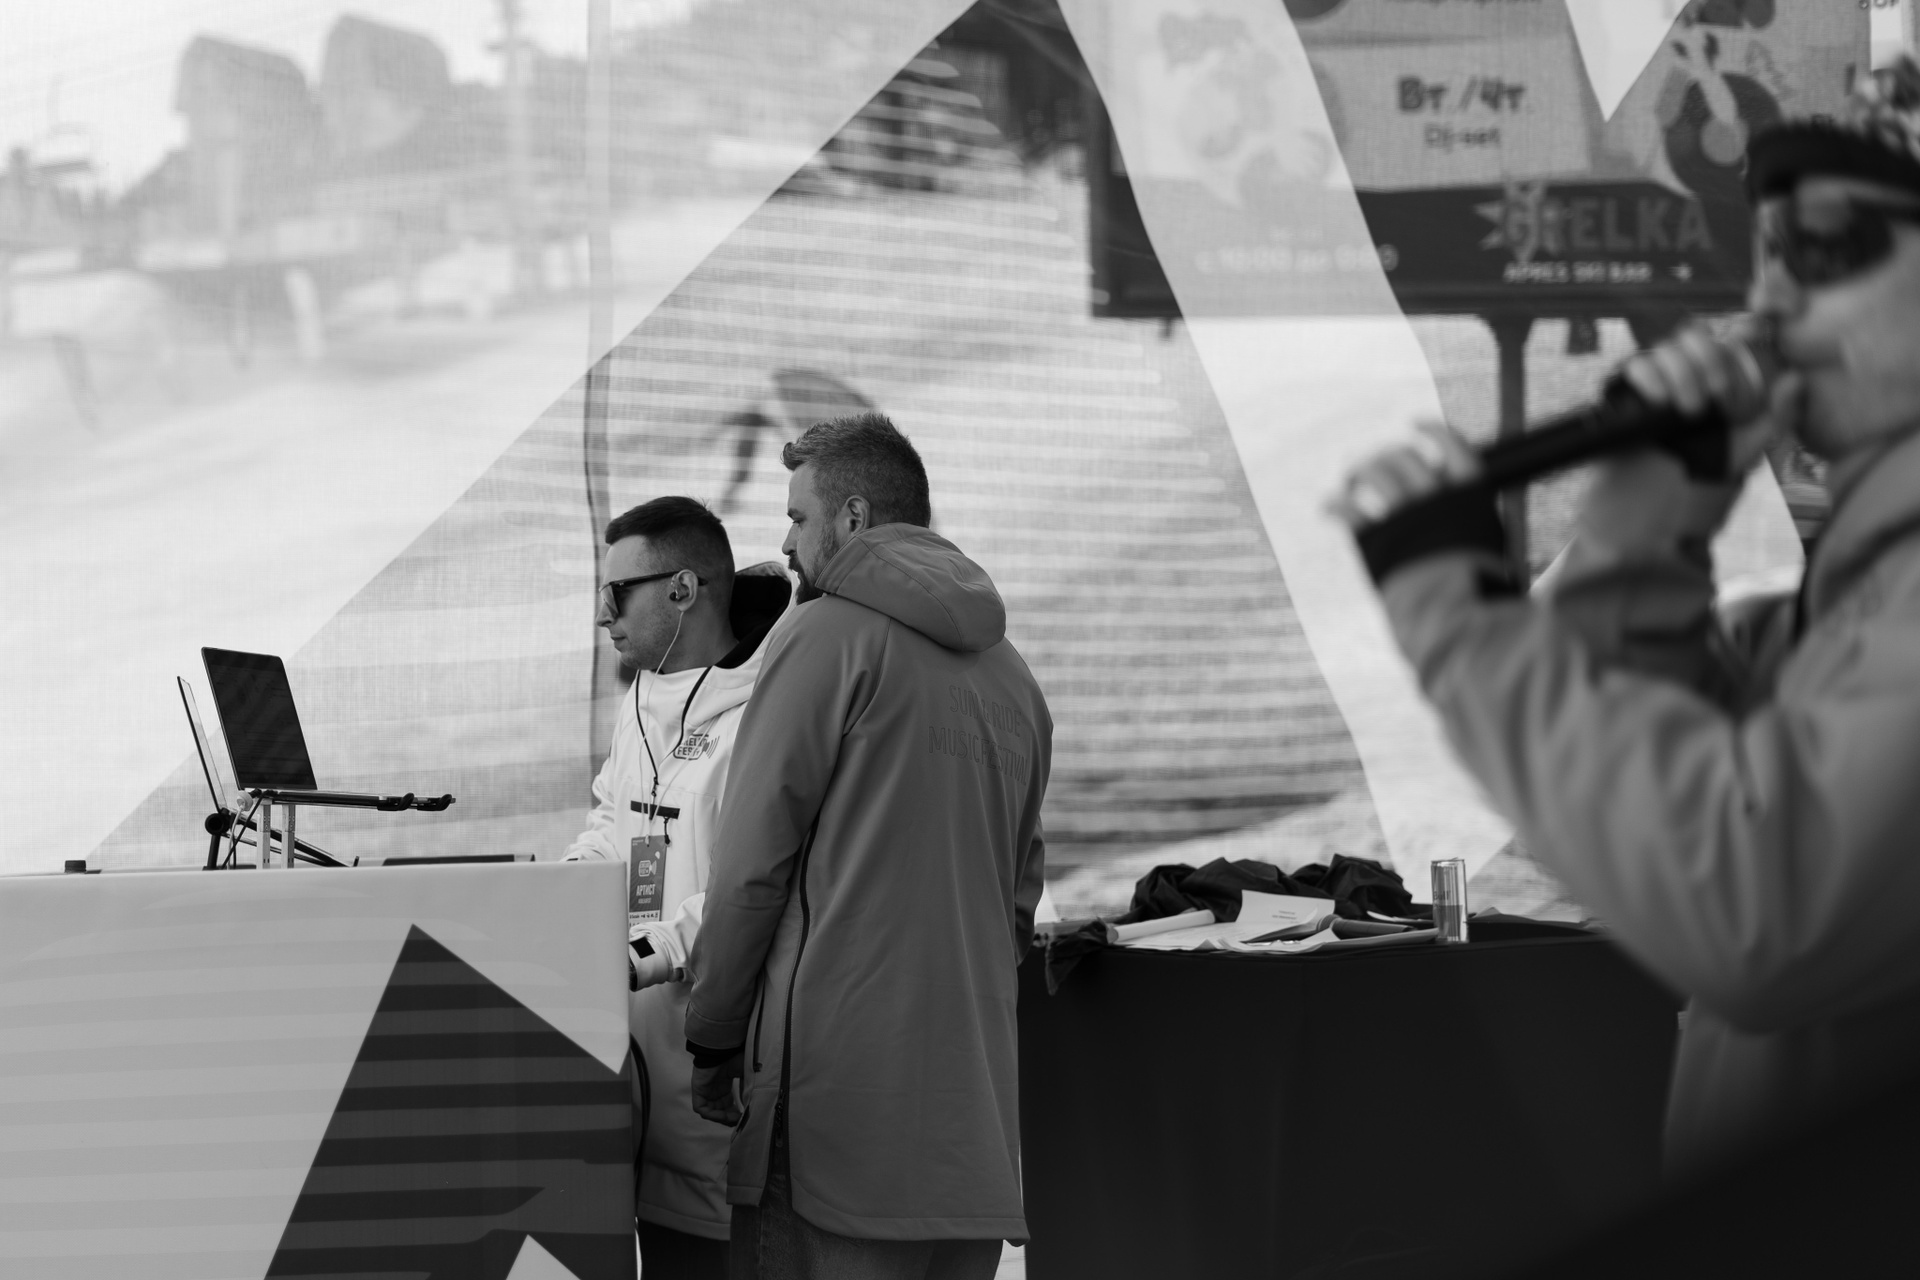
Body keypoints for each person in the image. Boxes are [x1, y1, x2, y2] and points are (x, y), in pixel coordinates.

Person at [1331, 59, 1920, 1178]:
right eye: (1767, 259)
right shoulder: (1855, 589)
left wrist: (1460, 626)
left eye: (1829, 252)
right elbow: (1635, 789)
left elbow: (1758, 918)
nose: (1771, 304)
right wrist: (1647, 521)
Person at [683, 412, 1052, 1279]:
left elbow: (750, 867)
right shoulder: (1016, 678)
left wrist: (713, 1036)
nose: (785, 543)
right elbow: (1017, 907)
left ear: (852, 517)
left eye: (797, 518)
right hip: (970, 1134)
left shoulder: (820, 636)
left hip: (834, 1123)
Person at [562, 496, 788, 1277]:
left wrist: (641, 954)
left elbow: (752, 884)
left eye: (617, 593)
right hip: (638, 1070)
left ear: (684, 590)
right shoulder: (642, 694)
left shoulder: (771, 708)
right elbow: (611, 820)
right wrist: (562, 900)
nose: (604, 615)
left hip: (718, 1072)